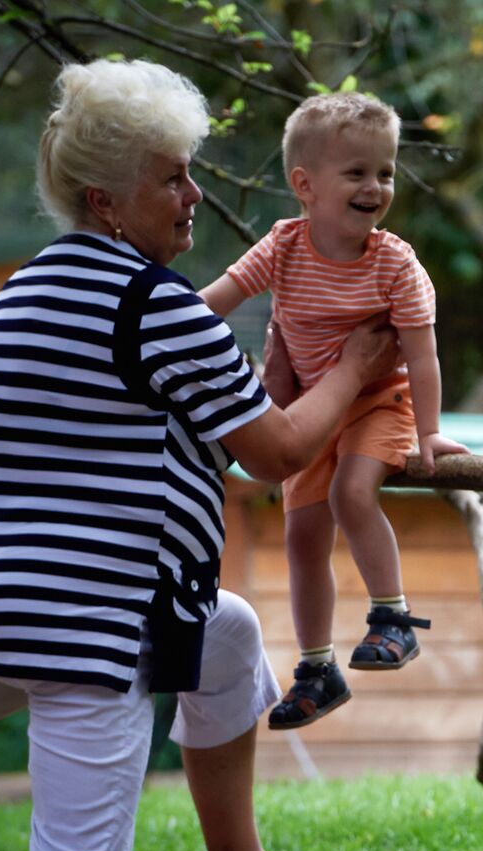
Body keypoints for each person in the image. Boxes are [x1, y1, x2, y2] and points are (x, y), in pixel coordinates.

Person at [0, 59, 399, 851]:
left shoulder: (18, 297)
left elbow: (155, 432)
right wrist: (353, 372)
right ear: (106, 198)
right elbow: (274, 454)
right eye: (173, 177)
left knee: (226, 633)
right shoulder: (157, 307)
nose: (194, 195)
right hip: (86, 626)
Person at [200, 92, 467, 731]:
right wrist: (155, 331)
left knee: (353, 494)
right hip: (315, 409)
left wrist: (429, 432)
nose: (376, 186)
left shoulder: (395, 262)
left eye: (386, 172)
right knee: (302, 537)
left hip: (381, 399)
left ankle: (392, 617)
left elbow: (423, 355)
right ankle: (317, 669)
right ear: (305, 185)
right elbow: (216, 300)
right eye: (357, 172)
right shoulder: (283, 245)